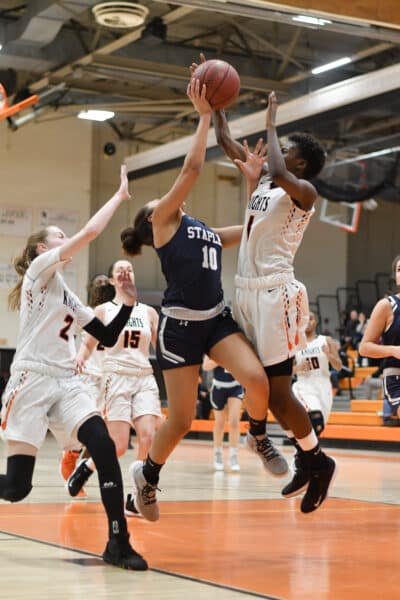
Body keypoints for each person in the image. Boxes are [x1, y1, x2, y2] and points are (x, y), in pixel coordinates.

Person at [119, 78, 287, 522]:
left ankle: (257, 435)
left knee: (257, 381)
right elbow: (192, 169)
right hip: (179, 329)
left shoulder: (201, 229)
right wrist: (205, 116)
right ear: (153, 217)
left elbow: (251, 232)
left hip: (214, 320)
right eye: (160, 200)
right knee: (180, 421)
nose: (169, 198)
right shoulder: (163, 223)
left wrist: (252, 183)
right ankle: (147, 477)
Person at [1, 166, 147, 570]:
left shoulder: (67, 295)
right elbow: (90, 232)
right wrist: (118, 196)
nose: (66, 240)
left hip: (66, 382)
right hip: (31, 379)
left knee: (103, 445)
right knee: (16, 488)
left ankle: (118, 541)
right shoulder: (38, 273)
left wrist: (128, 303)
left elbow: (107, 335)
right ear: (41, 249)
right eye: (59, 236)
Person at [212, 81, 336, 512]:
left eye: (285, 148)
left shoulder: (303, 192)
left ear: (300, 161)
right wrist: (214, 106)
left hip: (275, 294)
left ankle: (315, 461)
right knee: (257, 382)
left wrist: (271, 121)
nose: (276, 150)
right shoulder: (264, 182)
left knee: (280, 393)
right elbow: (226, 142)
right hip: (246, 291)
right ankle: (300, 453)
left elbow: (281, 171)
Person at [70, 259, 163, 517]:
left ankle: (135, 496)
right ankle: (86, 467)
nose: (125, 273)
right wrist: (80, 358)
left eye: (129, 269)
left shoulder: (149, 312)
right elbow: (88, 343)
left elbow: (162, 349)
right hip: (116, 376)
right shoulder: (103, 310)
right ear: (112, 280)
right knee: (119, 446)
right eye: (119, 270)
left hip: (144, 376)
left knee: (148, 437)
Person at [59, 273, 114, 497]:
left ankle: (79, 472)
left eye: (105, 282)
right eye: (98, 282)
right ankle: (71, 454)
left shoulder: (117, 312)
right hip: (87, 376)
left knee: (105, 435)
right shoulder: (85, 312)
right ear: (92, 289)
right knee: (89, 428)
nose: (102, 284)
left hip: (110, 378)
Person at [283, 311, 342, 497]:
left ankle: (305, 461)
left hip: (322, 386)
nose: (308, 321)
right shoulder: (295, 343)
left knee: (316, 427)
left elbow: (339, 366)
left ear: (316, 322)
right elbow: (286, 370)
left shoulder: (326, 340)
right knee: (312, 418)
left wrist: (329, 355)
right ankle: (302, 463)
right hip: (304, 385)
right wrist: (296, 368)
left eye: (312, 318)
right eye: (305, 318)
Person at [359, 255, 400, 427]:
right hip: (397, 377)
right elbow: (364, 347)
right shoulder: (387, 306)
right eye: (399, 270)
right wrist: (393, 350)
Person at [203, 356, 244, 472]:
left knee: (234, 421)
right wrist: (222, 359)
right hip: (219, 387)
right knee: (220, 423)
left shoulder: (238, 347)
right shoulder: (213, 348)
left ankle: (233, 456)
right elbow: (206, 366)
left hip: (236, 385)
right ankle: (218, 454)